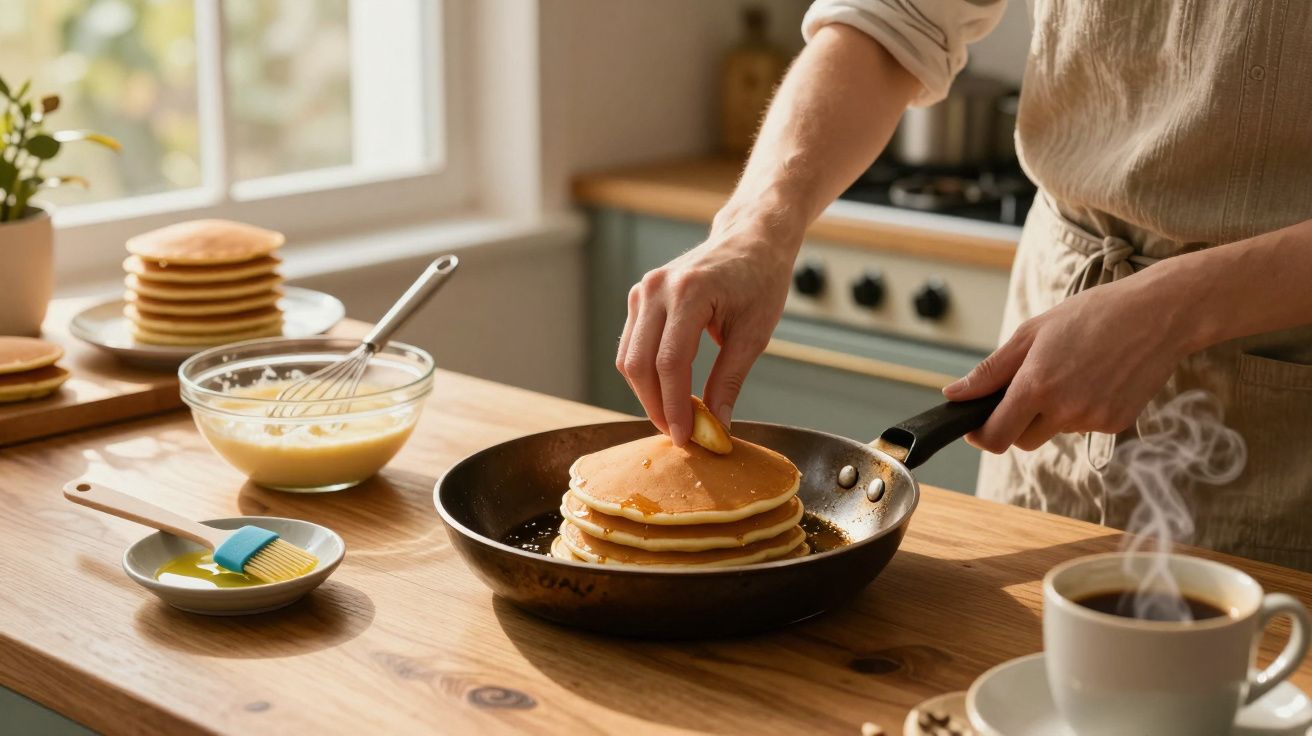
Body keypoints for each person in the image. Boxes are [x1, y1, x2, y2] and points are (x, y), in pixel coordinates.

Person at [614, 1, 1312, 570]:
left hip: (1278, 400)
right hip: (1062, 326)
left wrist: (1176, 309)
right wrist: (755, 225)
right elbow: (891, 20)